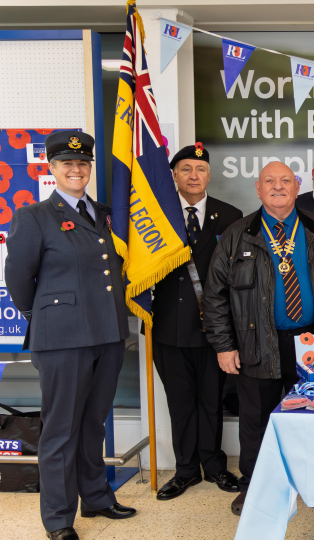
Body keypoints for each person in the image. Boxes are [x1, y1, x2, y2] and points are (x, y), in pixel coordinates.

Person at [203, 161, 314, 516]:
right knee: (256, 421)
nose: (277, 187)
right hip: (258, 344)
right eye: (269, 181)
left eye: (285, 180)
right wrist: (224, 345)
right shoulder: (237, 234)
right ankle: (254, 486)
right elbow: (214, 296)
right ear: (258, 189)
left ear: (297, 186)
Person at [5, 131, 135, 540]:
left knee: (94, 422)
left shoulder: (106, 212)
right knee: (61, 429)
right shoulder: (34, 216)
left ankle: (96, 497)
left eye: (82, 164)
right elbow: (18, 279)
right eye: (67, 163)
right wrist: (43, 316)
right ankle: (58, 518)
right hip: (62, 337)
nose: (76, 169)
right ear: (52, 168)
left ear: (89, 168)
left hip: (108, 333)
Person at [151, 143, 243, 501]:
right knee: (180, 401)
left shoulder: (230, 214)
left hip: (215, 327)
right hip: (168, 325)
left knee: (212, 399)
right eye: (186, 169)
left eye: (200, 169)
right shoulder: (155, 214)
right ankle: (185, 470)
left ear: (209, 174)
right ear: (174, 174)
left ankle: (215, 466)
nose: (193, 175)